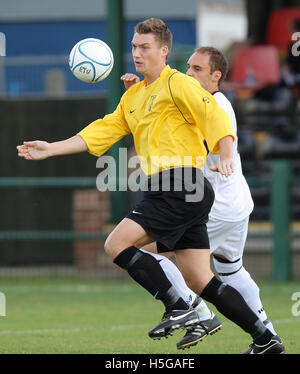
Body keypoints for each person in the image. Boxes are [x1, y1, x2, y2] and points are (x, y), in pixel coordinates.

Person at [17, 18, 283, 354]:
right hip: (182, 190)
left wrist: (227, 152)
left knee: (117, 243)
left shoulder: (178, 84)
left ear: (164, 51)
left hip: (181, 184)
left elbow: (215, 116)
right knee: (201, 278)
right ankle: (265, 339)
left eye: (145, 47)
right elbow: (104, 130)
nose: (137, 53)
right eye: (134, 47)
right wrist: (51, 147)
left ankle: (181, 308)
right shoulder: (135, 97)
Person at [121, 47, 280, 352]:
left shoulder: (211, 106)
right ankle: (267, 336)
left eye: (196, 69)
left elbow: (183, 138)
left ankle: (197, 311)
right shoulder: (206, 102)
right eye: (188, 68)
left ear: (215, 75)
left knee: (143, 250)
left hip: (214, 208)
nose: (188, 74)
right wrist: (138, 97)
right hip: (236, 203)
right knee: (231, 270)